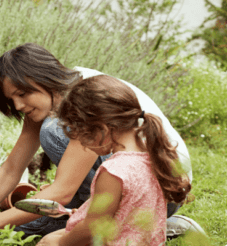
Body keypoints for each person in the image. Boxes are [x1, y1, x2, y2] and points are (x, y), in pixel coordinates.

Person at [0, 43, 202, 246]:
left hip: (162, 192)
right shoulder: (49, 96)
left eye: (22, 94)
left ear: (43, 78)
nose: (17, 105)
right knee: (26, 228)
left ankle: (145, 222)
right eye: (11, 99)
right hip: (143, 190)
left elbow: (61, 192)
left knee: (52, 133)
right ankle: (137, 226)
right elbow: (11, 169)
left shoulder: (87, 98)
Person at [36, 74, 191, 246]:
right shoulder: (153, 154)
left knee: (48, 241)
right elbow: (129, 204)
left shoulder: (114, 171)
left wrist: (61, 243)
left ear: (101, 129)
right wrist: (85, 211)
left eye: (84, 137)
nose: (85, 147)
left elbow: (92, 228)